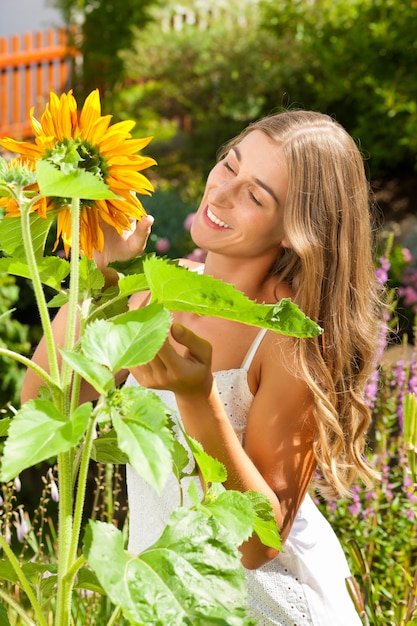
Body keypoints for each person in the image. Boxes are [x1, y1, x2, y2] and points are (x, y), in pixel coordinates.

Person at [22, 110, 381, 625]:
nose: (222, 193)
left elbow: (258, 545)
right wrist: (101, 281)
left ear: (294, 232)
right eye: (229, 166)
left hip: (264, 605)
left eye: (257, 196)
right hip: (171, 598)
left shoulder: (286, 338)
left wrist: (199, 400)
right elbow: (44, 404)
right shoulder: (153, 288)